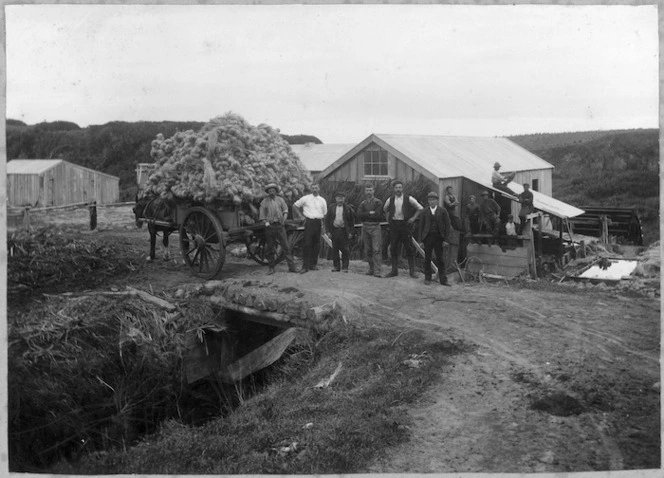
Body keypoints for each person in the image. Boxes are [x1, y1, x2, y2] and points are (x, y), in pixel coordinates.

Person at [383, 180, 424, 278]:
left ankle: (412, 272)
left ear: (402, 188)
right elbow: (385, 209)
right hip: (394, 226)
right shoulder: (390, 199)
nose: (398, 189)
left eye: (400, 187)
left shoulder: (409, 199)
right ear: (394, 189)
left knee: (409, 248)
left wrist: (413, 218)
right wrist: (388, 219)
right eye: (396, 188)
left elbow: (420, 208)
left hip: (405, 226)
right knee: (393, 248)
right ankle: (394, 271)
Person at [259, 183, 297, 275]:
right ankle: (271, 268)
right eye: (270, 191)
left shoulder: (280, 200)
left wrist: (284, 219)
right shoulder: (264, 202)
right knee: (270, 248)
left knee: (286, 247)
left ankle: (292, 267)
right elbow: (262, 216)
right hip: (270, 227)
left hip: (280, 226)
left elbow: (285, 210)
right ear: (268, 192)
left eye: (273, 190)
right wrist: (267, 224)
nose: (272, 192)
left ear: (276, 191)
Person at [419, 191, 451, 286]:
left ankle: (443, 280)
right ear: (428, 201)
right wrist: (420, 240)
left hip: (439, 238)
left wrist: (445, 240)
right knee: (427, 258)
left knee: (440, 259)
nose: (431, 202)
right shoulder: (424, 211)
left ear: (437, 201)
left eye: (433, 200)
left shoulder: (443, 211)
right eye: (430, 200)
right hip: (428, 237)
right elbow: (421, 226)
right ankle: (427, 278)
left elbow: (447, 226)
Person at [293, 183, 327, 273]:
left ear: (319, 189)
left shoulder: (322, 200)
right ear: (311, 189)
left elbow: (324, 215)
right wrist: (301, 216)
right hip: (309, 222)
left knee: (317, 244)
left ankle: (313, 265)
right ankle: (305, 266)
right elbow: (295, 206)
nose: (314, 189)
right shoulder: (306, 198)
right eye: (313, 188)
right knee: (307, 244)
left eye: (316, 188)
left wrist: (323, 228)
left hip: (318, 222)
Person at [357, 184, 384, 277]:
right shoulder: (362, 203)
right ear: (365, 192)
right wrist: (369, 213)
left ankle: (377, 270)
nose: (369, 192)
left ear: (373, 191)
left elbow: (378, 215)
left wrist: (366, 214)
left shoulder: (378, 202)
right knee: (368, 249)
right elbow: (359, 215)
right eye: (367, 190)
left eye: (370, 190)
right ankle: (371, 269)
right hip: (365, 227)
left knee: (376, 249)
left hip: (375, 227)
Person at [324, 191, 355, 273]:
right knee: (335, 249)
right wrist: (328, 231)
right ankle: (336, 266)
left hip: (344, 231)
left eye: (342, 198)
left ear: (344, 199)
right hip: (334, 231)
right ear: (335, 199)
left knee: (345, 250)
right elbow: (327, 220)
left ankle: (345, 267)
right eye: (338, 198)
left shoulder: (348, 208)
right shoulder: (331, 208)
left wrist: (351, 232)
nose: (340, 200)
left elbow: (352, 222)